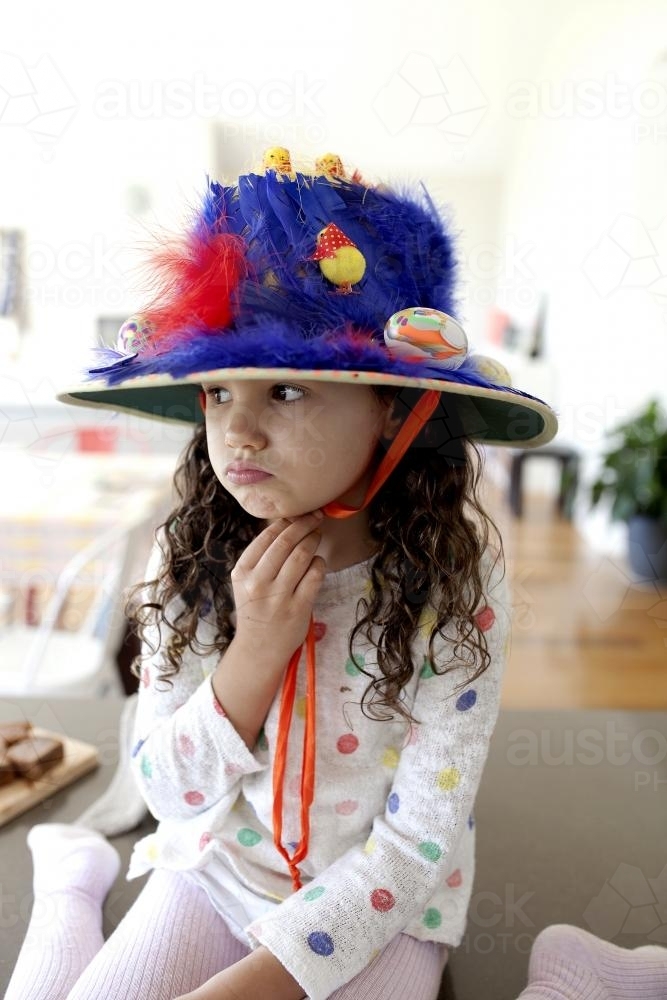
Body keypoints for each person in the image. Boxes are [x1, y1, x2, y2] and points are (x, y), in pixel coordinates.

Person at [14, 148, 647, 1000]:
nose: (236, 432)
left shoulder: (456, 586)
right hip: (215, 876)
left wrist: (257, 985)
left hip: (382, 905)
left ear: (394, 406)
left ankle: (579, 980)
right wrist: (255, 651)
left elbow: (419, 842)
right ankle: (69, 885)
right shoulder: (192, 556)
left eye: (284, 391)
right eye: (216, 394)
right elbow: (168, 791)